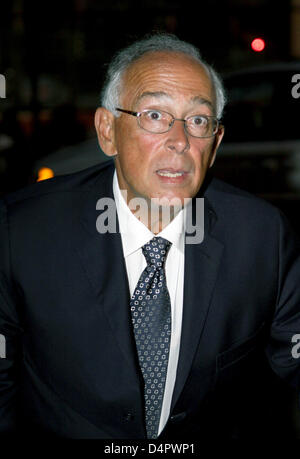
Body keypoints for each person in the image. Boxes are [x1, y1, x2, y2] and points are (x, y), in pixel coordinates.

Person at [0, 33, 299, 440]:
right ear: (107, 130)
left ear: (215, 143)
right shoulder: (23, 232)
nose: (179, 142)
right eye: (155, 116)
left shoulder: (263, 238)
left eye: (198, 120)